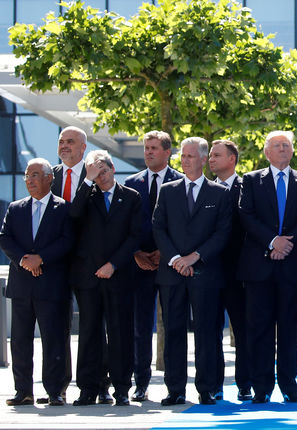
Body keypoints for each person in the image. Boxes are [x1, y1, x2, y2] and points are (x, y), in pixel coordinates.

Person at [238, 131, 297, 404]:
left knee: (288, 328)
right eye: (277, 146)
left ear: (292, 151)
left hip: (292, 265)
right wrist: (272, 242)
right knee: (259, 328)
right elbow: (246, 215)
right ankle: (261, 386)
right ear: (266, 152)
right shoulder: (250, 180)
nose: (283, 149)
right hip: (259, 266)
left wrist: (286, 244)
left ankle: (289, 385)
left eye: (287, 145)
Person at [152, 137, 232, 406]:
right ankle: (175, 389)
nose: (184, 160)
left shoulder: (219, 193)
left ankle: (207, 388)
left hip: (206, 273)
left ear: (202, 158)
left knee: (207, 332)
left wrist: (194, 257)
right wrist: (176, 259)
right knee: (173, 331)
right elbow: (158, 227)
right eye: (182, 156)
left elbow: (223, 233)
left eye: (189, 156)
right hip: (172, 273)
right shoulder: (168, 190)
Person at [68, 150, 141, 406]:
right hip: (89, 276)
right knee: (89, 333)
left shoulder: (131, 197)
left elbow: (135, 236)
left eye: (103, 169)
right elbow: (73, 216)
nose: (101, 175)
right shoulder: (87, 196)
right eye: (95, 171)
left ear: (112, 168)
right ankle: (89, 387)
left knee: (120, 332)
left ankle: (121, 387)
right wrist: (87, 180)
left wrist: (113, 264)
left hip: (119, 275)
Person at [0, 158, 73, 406]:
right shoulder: (16, 207)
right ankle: (23, 391)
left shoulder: (63, 208)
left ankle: (54, 391)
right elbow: (5, 238)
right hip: (21, 285)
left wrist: (41, 258)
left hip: (51, 284)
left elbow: (67, 241)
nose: (29, 180)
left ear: (48, 178)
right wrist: (23, 260)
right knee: (19, 341)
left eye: (35, 175)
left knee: (53, 339)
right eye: (27, 176)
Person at [123, 130, 184, 402]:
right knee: (140, 327)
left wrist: (166, 252)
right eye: (146, 148)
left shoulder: (182, 182)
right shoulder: (131, 183)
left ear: (167, 152)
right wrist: (136, 252)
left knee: (173, 326)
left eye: (154, 148)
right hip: (138, 266)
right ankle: (141, 383)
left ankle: (175, 386)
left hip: (170, 264)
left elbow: (184, 226)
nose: (148, 152)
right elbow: (122, 226)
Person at [207, 140, 252, 401]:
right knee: (211, 330)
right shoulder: (205, 189)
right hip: (210, 271)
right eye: (210, 155)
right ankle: (214, 384)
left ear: (232, 159)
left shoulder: (247, 187)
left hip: (239, 272)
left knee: (242, 330)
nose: (211, 160)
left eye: (217, 155)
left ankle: (244, 383)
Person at [49, 126, 89, 404]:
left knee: (91, 326)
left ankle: (94, 384)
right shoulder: (48, 175)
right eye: (61, 141)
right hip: (54, 264)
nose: (64, 146)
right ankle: (57, 389)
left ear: (83, 147)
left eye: (70, 142)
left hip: (89, 263)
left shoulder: (96, 174)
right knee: (55, 327)